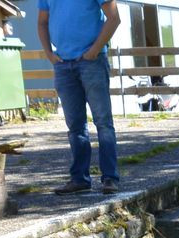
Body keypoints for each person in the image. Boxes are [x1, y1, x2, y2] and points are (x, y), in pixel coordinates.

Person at [37, 0, 121, 194]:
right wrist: (49, 53)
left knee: (103, 122)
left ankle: (110, 178)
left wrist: (94, 50)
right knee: (75, 126)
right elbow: (42, 22)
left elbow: (114, 18)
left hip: (92, 62)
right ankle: (79, 179)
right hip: (63, 65)